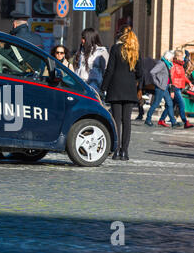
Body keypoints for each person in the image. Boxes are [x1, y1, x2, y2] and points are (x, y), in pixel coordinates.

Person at [101, 25, 142, 161]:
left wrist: (103, 87)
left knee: (116, 120)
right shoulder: (136, 51)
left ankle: (116, 150)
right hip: (129, 89)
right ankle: (125, 152)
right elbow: (140, 73)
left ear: (121, 35)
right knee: (127, 121)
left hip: (116, 88)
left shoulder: (115, 49)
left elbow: (110, 70)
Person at [159, 50, 194, 128]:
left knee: (171, 105)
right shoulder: (174, 66)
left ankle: (161, 120)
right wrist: (171, 90)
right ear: (177, 57)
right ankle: (185, 122)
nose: (183, 58)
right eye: (181, 57)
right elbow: (171, 78)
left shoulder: (180, 65)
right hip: (175, 88)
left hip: (179, 87)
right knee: (182, 103)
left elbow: (183, 76)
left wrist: (189, 82)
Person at [144, 51, 180, 128]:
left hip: (165, 87)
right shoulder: (162, 63)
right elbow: (152, 72)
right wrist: (157, 83)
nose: (172, 59)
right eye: (171, 57)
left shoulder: (167, 64)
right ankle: (148, 119)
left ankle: (173, 122)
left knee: (170, 104)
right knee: (156, 104)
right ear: (168, 57)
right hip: (160, 88)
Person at [74, 28, 109, 93]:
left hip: (94, 89)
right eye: (82, 38)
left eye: (84, 38)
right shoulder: (80, 52)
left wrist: (103, 89)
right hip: (79, 88)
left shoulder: (101, 52)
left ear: (90, 39)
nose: (82, 40)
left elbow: (106, 71)